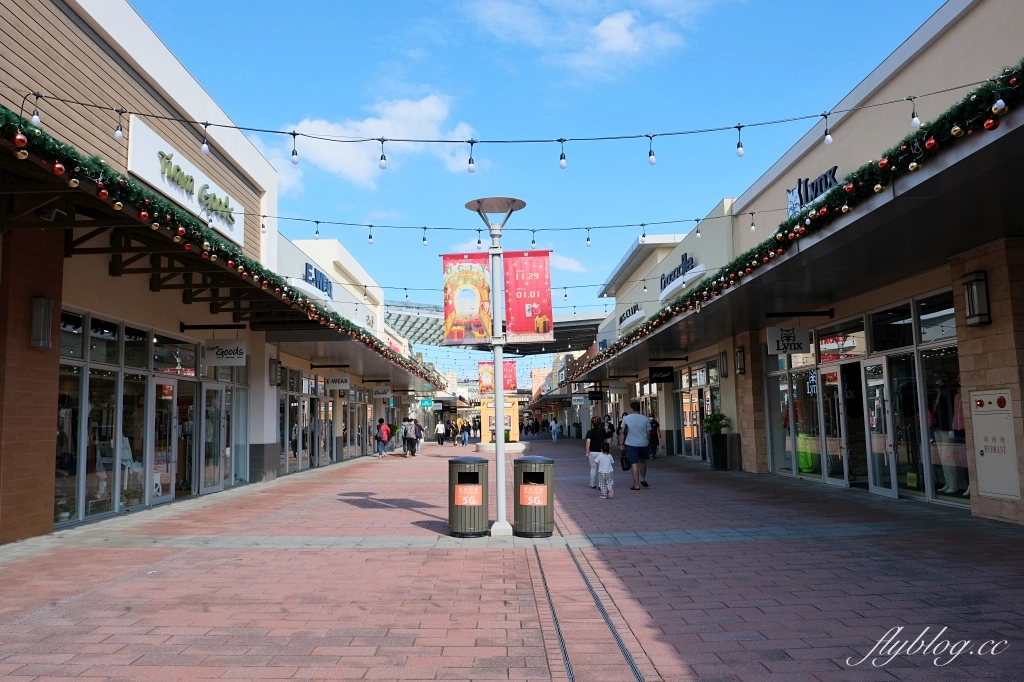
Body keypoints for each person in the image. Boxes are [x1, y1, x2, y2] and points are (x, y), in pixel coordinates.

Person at [619, 401, 651, 490]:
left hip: (631, 444)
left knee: (634, 463)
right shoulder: (645, 419)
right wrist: (647, 441)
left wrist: (622, 443)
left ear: (631, 409)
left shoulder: (626, 418)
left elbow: (622, 431)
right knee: (643, 461)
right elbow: (649, 433)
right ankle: (643, 478)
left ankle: (636, 485)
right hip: (644, 444)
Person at [584, 416, 607, 489]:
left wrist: (587, 452)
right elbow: (605, 440)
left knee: (593, 468)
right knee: (601, 469)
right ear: (600, 423)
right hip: (601, 452)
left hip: (593, 452)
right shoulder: (603, 431)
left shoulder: (590, 432)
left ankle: (592, 484)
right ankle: (601, 485)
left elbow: (588, 442)